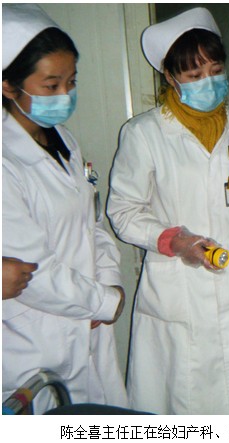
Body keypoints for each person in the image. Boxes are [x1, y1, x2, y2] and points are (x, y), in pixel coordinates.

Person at [107, 7, 229, 414]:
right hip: (180, 290)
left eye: (215, 70)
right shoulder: (144, 135)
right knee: (183, 406)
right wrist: (175, 241)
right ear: (170, 77)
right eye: (194, 75)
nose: (208, 81)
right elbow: (123, 211)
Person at [2, 4, 127, 414]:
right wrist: (102, 302)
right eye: (50, 85)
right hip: (36, 338)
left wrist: (110, 285)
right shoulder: (5, 161)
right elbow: (31, 272)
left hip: (87, 320)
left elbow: (93, 224)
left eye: (71, 82)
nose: (65, 95)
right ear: (8, 86)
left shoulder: (64, 141)